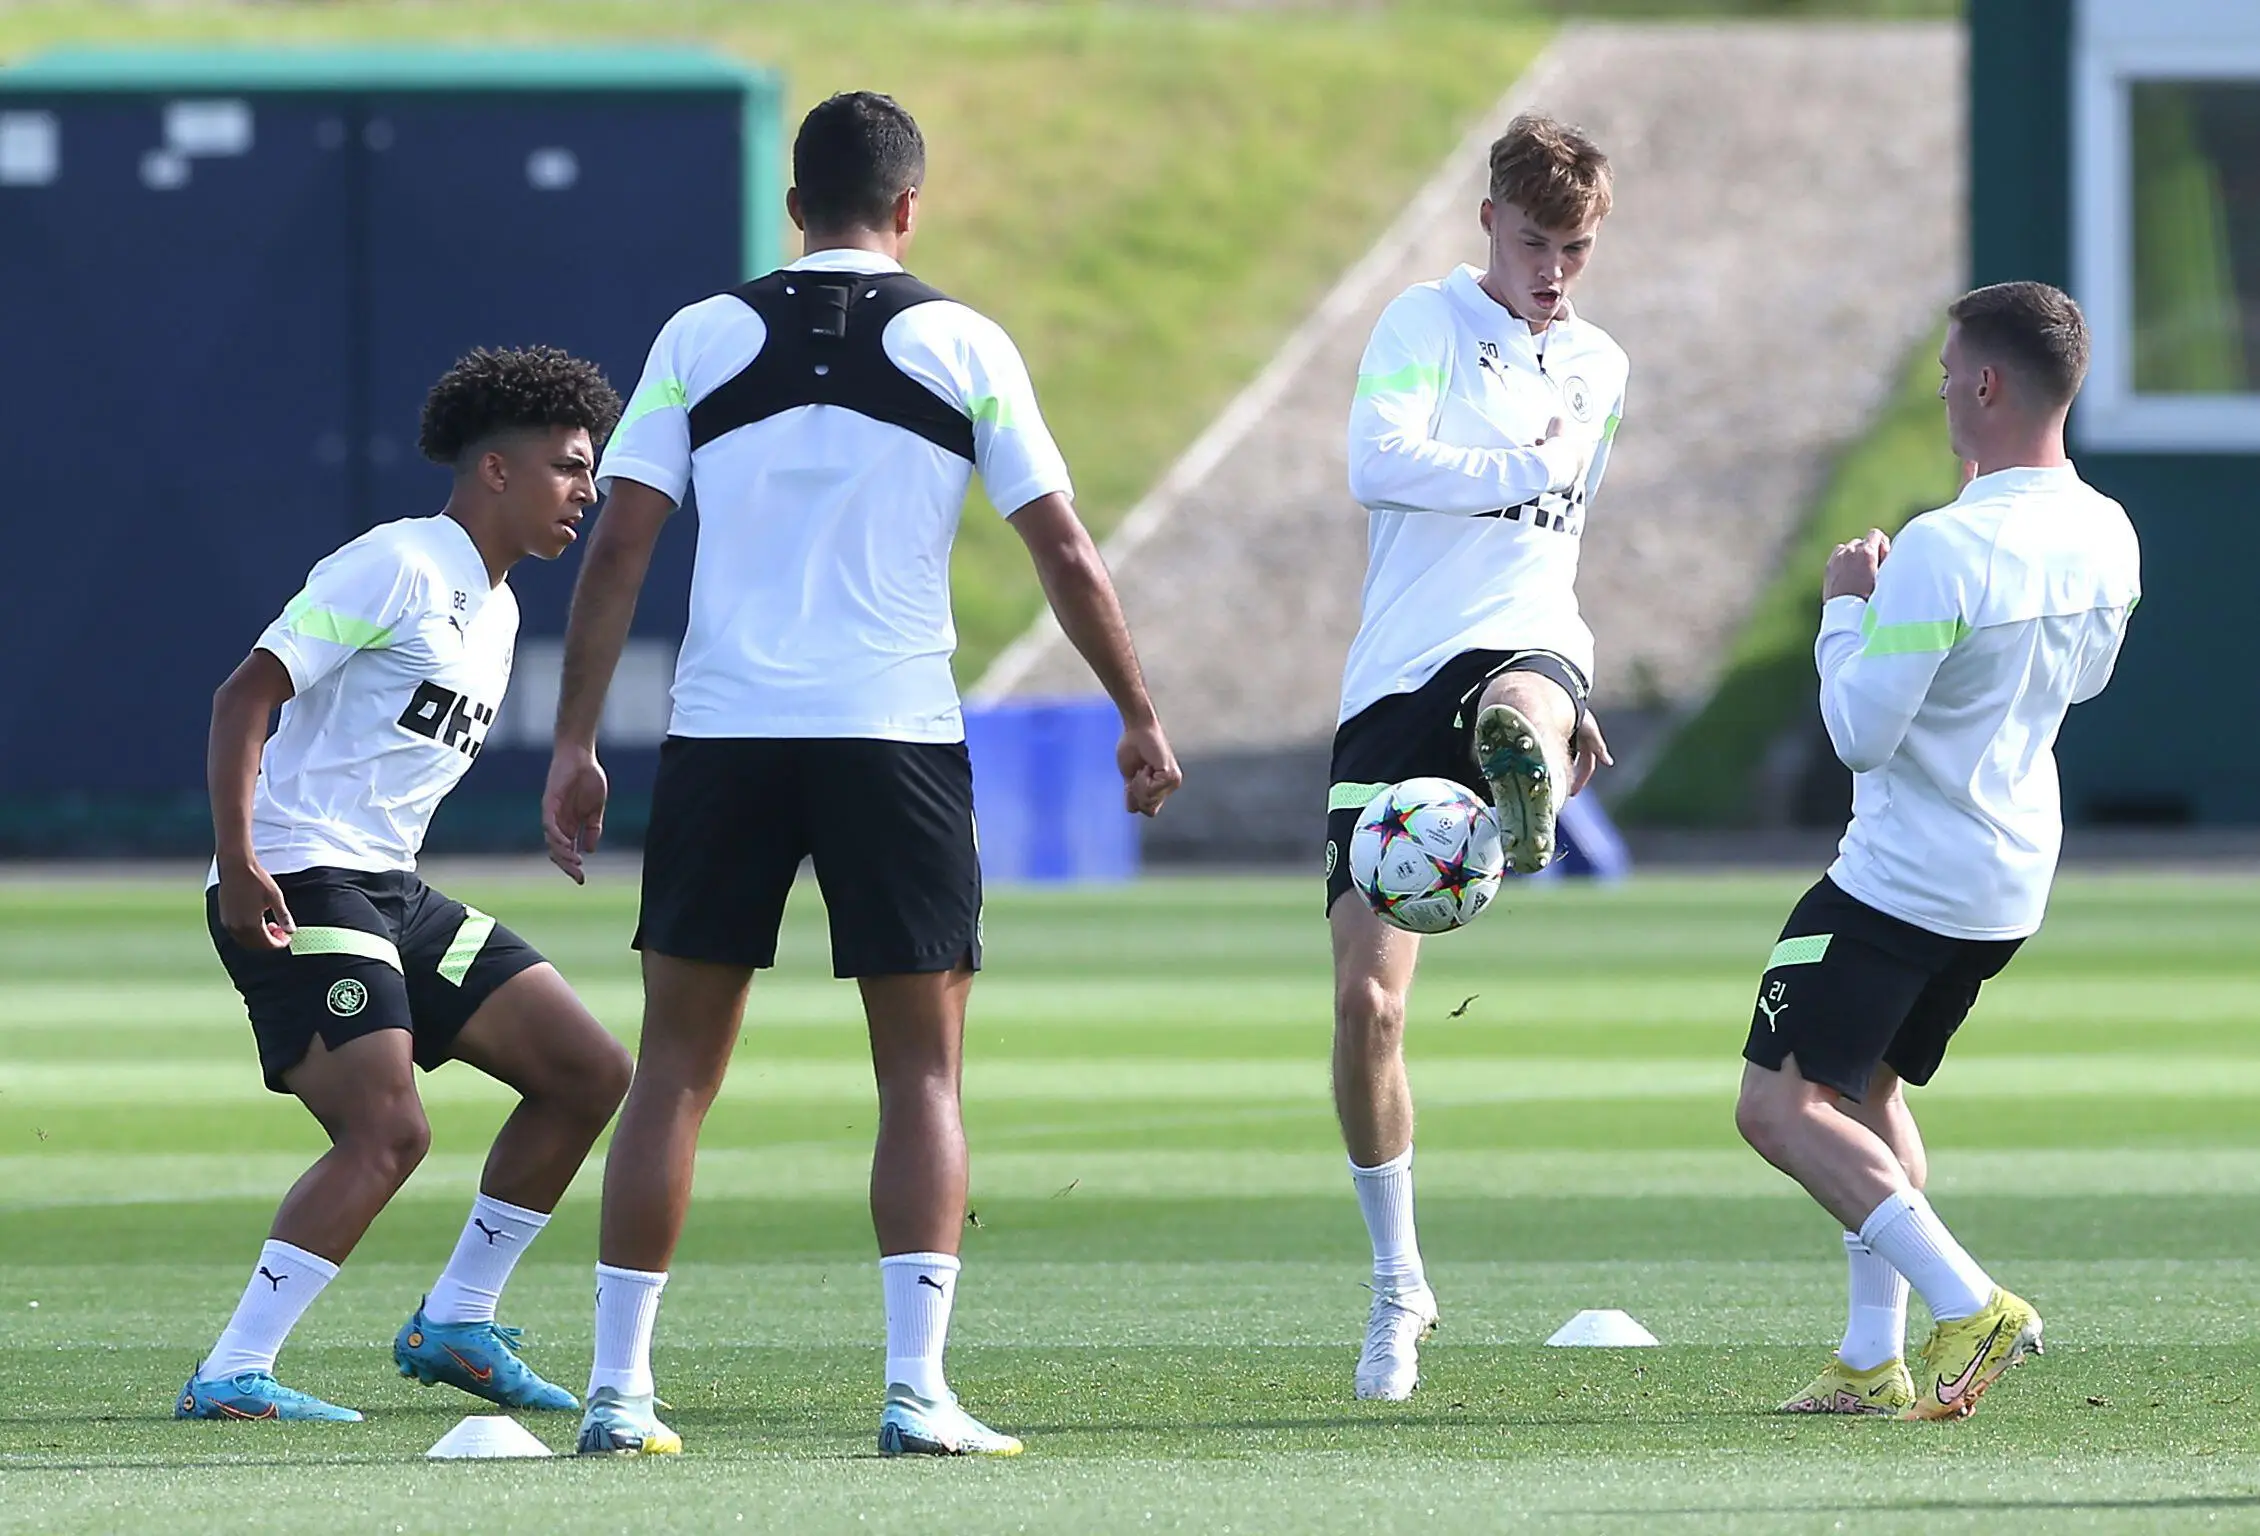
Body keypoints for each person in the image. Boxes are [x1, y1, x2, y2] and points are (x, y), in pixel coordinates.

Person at [544, 90, 1181, 1459]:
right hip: (893, 736)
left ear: (793, 210)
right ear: (908, 209)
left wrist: (577, 740)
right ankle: (914, 1392)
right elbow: (1064, 550)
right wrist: (1136, 711)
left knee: (674, 1074)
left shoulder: (702, 334)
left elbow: (618, 548)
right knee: (922, 1078)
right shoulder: (962, 340)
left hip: (724, 739)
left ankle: (617, 1392)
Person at [185, 347, 634, 1423]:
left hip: (389, 888)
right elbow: (241, 698)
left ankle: (457, 1324)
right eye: (570, 466)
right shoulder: (398, 564)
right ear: (493, 468)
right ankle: (233, 1372)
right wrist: (242, 858)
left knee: (588, 1071)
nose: (589, 489)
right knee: (391, 1130)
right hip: (298, 874)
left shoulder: (502, 608)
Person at [1736, 282, 2139, 1421]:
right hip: (2008, 879)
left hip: (1901, 874)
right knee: (1862, 1091)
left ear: (1987, 384)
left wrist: (1844, 608)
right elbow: (2089, 678)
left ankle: (1971, 1303)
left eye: (1947, 372)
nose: (1941, 389)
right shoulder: (2107, 527)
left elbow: (1858, 728)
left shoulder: (1941, 546)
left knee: (1774, 1110)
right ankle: (1871, 1359)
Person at [1327, 113, 1624, 1400]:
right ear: (1488, 221)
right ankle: (1398, 1288)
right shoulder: (1421, 325)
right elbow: (1373, 463)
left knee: (1521, 697)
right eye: (1537, 241)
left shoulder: (1603, 365)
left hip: (1526, 642)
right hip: (1400, 674)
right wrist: (1519, 460)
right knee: (1369, 1003)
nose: (1555, 269)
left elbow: (1555, 538)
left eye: (1577, 248)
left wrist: (1566, 692)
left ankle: (1531, 752)